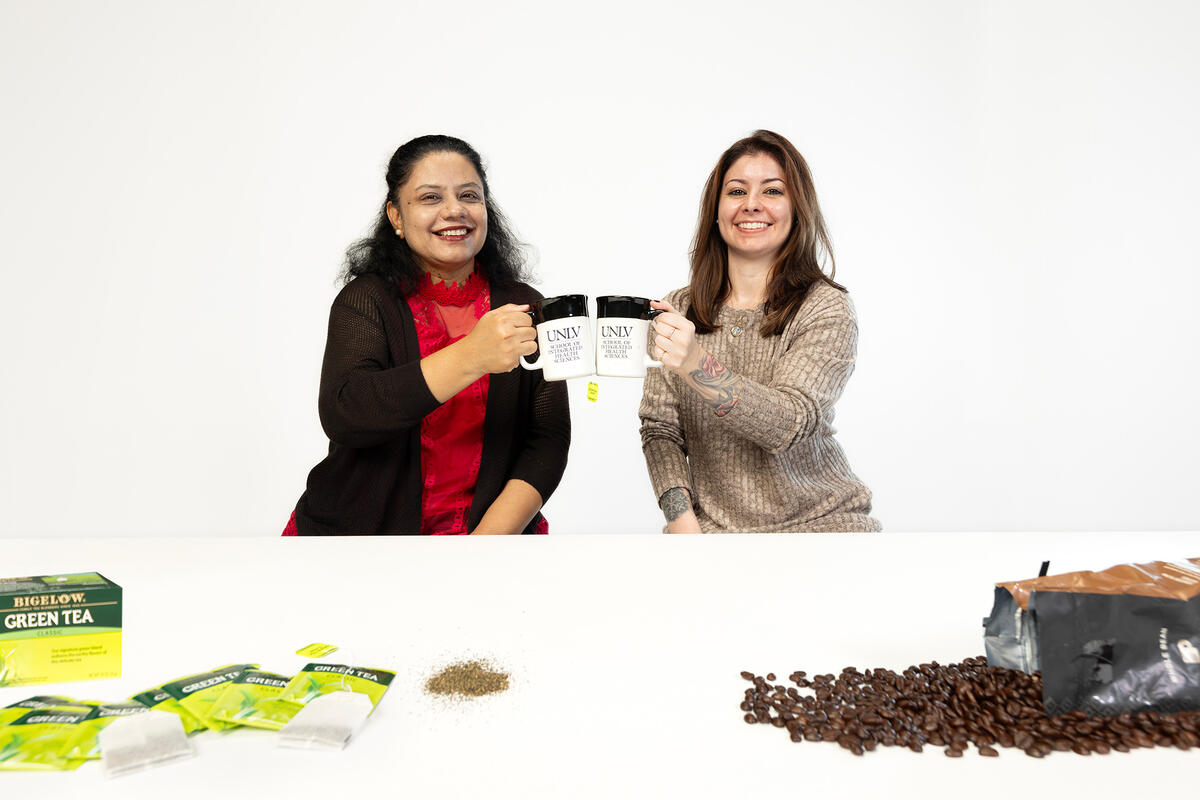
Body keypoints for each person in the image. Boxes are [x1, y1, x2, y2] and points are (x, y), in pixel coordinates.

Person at [286, 135, 570, 535]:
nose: (455, 210)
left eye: (469, 195)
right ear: (396, 216)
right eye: (430, 198)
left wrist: (485, 544)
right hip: (361, 545)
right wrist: (472, 355)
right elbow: (346, 414)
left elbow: (547, 439)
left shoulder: (524, 305)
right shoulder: (366, 300)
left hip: (493, 543)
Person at [639, 130, 880, 533]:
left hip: (822, 528)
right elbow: (660, 429)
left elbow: (788, 424)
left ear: (797, 209)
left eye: (772, 191)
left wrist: (695, 363)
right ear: (715, 211)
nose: (751, 204)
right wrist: (683, 524)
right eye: (736, 191)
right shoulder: (677, 308)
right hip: (713, 534)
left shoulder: (826, 307)